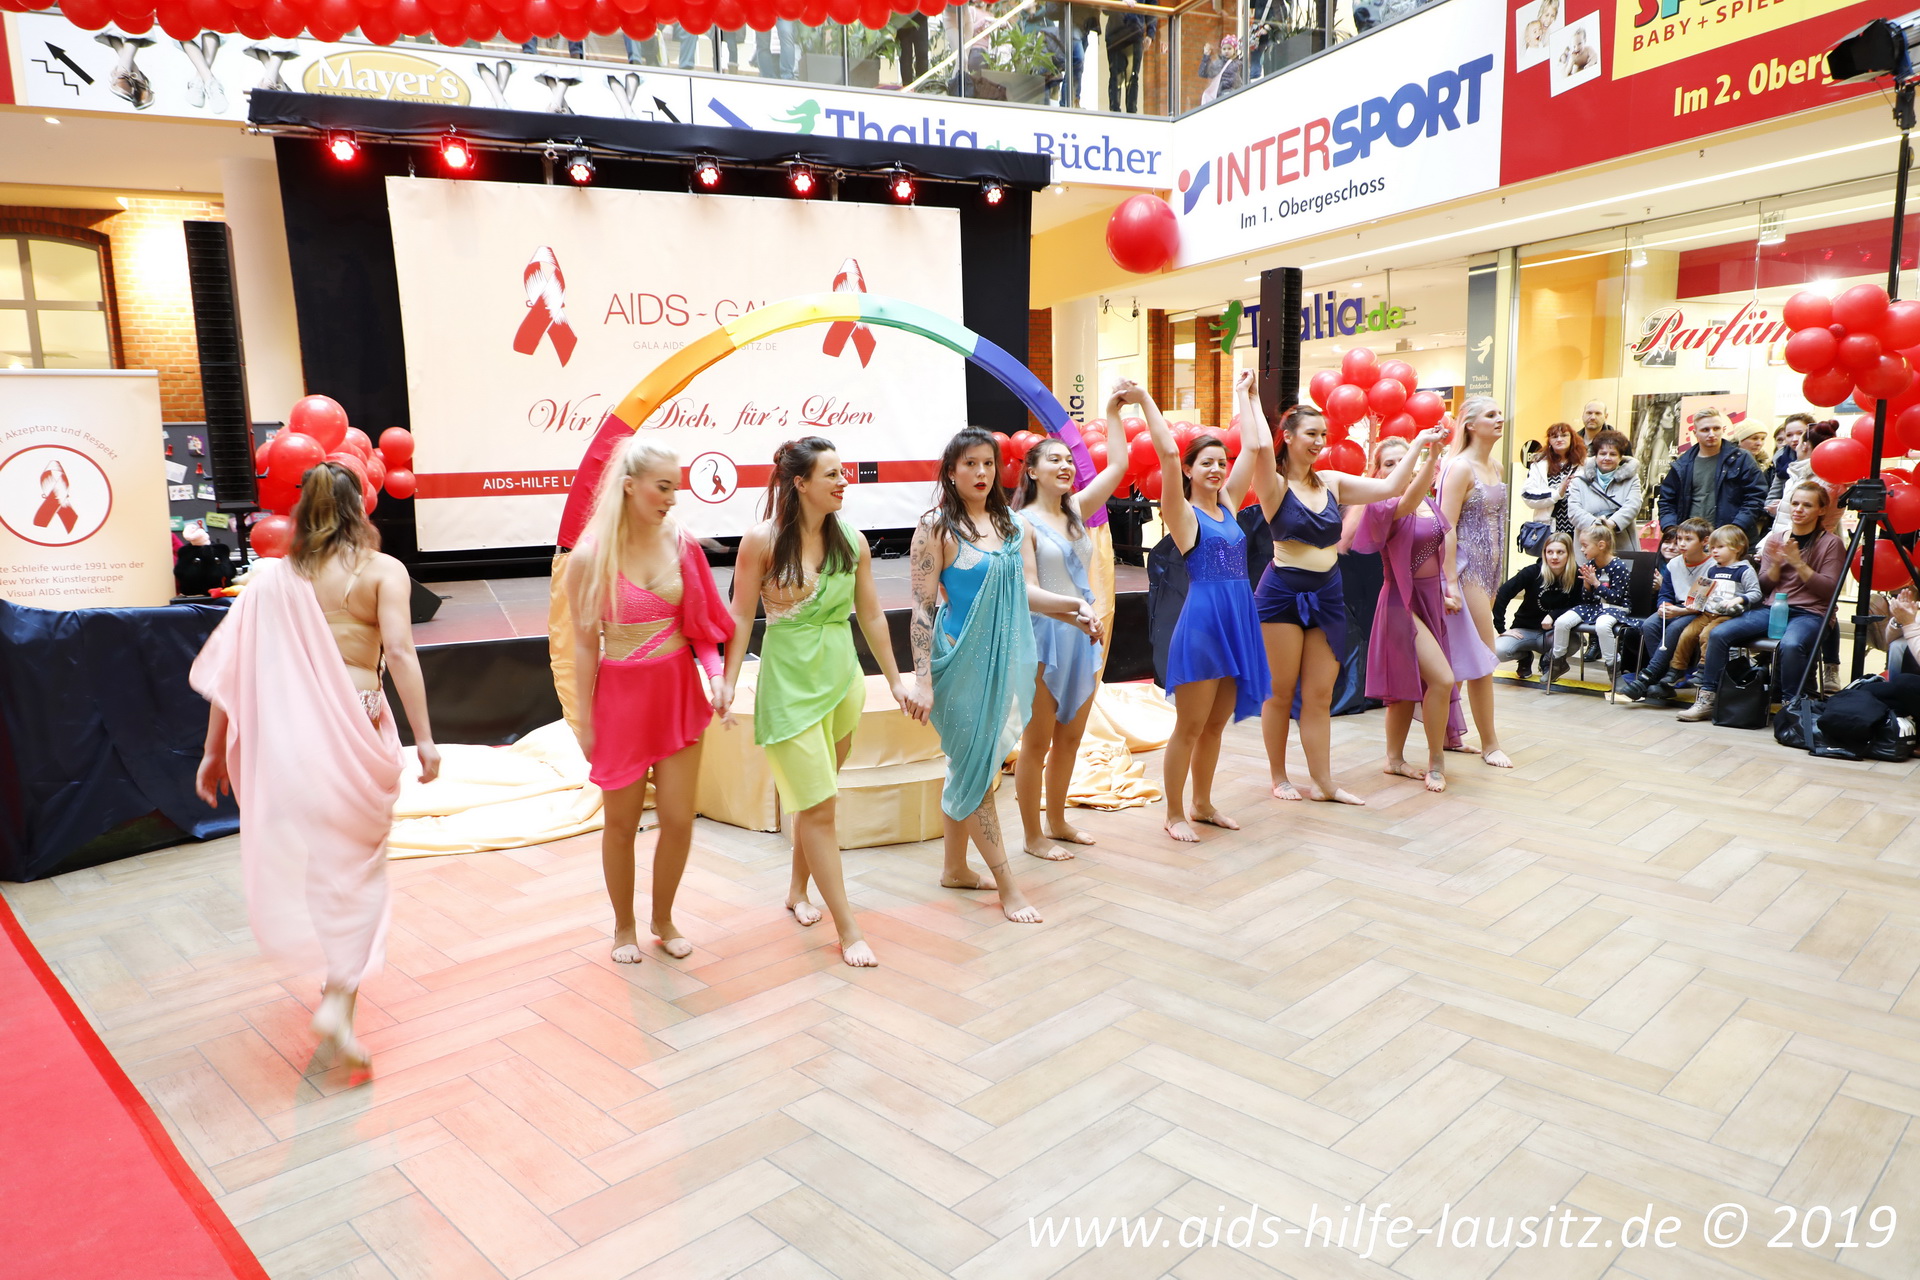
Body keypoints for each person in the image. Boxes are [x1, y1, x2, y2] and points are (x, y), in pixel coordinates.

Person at [191, 462, 442, 1071]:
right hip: (358, 729)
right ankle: (338, 1001)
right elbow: (400, 653)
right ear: (361, 507)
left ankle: (335, 984)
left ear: (302, 512)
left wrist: (212, 752)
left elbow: (232, 671)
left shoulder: (273, 580)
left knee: (325, 868)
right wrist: (426, 739)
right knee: (359, 871)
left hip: (294, 741)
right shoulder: (383, 571)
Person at [718, 438, 925, 968]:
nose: (843, 482)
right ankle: (849, 929)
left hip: (842, 682)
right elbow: (740, 615)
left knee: (816, 804)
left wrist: (895, 681)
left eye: (843, 472)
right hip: (789, 689)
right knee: (820, 808)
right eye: (831, 474)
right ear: (800, 483)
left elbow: (872, 615)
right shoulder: (761, 541)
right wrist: (727, 680)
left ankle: (797, 891)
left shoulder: (852, 541)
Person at [909, 429, 1096, 922]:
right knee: (975, 771)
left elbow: (1025, 592)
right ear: (951, 471)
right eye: (970, 463)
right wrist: (922, 680)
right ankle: (1009, 886)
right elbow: (922, 609)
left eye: (988, 463)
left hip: (1003, 659)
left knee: (968, 766)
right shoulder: (935, 527)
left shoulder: (1012, 524)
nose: (981, 472)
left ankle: (955, 868)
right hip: (957, 662)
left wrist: (1073, 608)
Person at [566, 439, 732, 966]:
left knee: (679, 820)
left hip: (677, 695)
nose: (672, 499)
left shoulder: (682, 544)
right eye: (663, 487)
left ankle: (663, 918)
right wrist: (584, 720)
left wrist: (716, 676)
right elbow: (583, 644)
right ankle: (624, 926)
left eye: (675, 488)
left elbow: (702, 626)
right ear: (629, 486)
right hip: (621, 704)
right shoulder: (589, 557)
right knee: (620, 825)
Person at [1253, 389, 1452, 807]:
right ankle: (1279, 776)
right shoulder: (1273, 483)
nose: (1319, 441)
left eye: (1323, 434)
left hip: (1327, 594)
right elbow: (1257, 447)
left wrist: (1420, 442)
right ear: (1288, 436)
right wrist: (1249, 395)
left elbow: (1392, 486)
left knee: (1320, 695)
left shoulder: (1332, 481)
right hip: (1281, 594)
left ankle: (1324, 783)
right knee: (1281, 692)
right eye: (1311, 433)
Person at [1148, 382, 1272, 840]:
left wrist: (1247, 395)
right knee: (1190, 725)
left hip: (1238, 618)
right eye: (1207, 463)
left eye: (1222, 462)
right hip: (1204, 622)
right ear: (1188, 469)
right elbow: (1166, 452)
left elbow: (1254, 447)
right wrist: (1144, 399)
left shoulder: (1229, 505)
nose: (1218, 469)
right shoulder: (1181, 513)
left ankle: (1202, 804)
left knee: (1216, 725)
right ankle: (1174, 813)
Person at [1013, 398, 1133, 861]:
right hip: (1043, 638)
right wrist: (1077, 608)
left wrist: (1114, 412)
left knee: (1071, 738)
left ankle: (1058, 821)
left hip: (1083, 638)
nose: (1066, 466)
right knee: (1037, 743)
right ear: (1032, 471)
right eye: (1054, 460)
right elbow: (1028, 588)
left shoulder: (1077, 511)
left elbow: (1118, 466)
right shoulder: (1020, 523)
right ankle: (1032, 835)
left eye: (1068, 460)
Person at [1352, 429, 1477, 792]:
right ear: (1378, 473)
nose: (1396, 468)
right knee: (1442, 679)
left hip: (1429, 600)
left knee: (1407, 686)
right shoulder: (1382, 505)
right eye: (1389, 464)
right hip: (1400, 603)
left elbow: (1444, 538)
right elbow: (1407, 501)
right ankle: (1436, 761)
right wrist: (1428, 452)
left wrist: (1446, 589)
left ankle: (1394, 760)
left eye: (1401, 460)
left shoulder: (1428, 502)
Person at [1679, 482, 1844, 723]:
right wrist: (1776, 565)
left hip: (1810, 612)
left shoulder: (1831, 543)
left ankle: (1791, 708)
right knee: (1718, 634)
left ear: (1821, 510)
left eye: (1807, 505)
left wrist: (1798, 563)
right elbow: (1764, 588)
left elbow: (1829, 590)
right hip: (1772, 608)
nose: (1798, 509)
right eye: (1795, 503)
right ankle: (1708, 698)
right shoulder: (1776, 539)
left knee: (1791, 644)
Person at [1438, 397, 1512, 768]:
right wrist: (1450, 580)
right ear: (1470, 424)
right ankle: (1490, 743)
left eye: (1500, 414)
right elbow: (1445, 525)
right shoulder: (1459, 468)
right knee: (1484, 656)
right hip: (1467, 571)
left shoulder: (1495, 465)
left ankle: (1448, 734)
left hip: (1491, 570)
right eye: (1490, 415)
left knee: (1464, 656)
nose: (1500, 419)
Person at [1617, 516, 1713, 702]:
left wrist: (1679, 611)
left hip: (1700, 611)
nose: (1681, 544)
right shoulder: (1674, 564)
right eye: (1680, 539)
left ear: (1705, 541)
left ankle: (1649, 676)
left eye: (1688, 539)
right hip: (1678, 607)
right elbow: (1666, 593)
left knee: (1675, 628)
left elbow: (1703, 602)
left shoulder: (1711, 565)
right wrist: (1664, 606)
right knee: (1650, 624)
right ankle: (1663, 679)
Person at [1655, 406, 1768, 548]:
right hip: (1692, 543)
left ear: (1723, 430)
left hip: (1732, 541)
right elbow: (1667, 501)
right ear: (1695, 433)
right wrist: (1671, 528)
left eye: (1716, 428)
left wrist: (1736, 527)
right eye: (1705, 430)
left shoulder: (1741, 459)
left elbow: (1756, 497)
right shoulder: (1682, 464)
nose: (1711, 434)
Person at [1493, 531, 1580, 681]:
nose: (1554, 557)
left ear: (1569, 554)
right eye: (1550, 552)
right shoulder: (1532, 572)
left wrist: (1553, 615)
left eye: (1560, 552)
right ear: (1544, 553)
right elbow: (1502, 593)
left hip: (1554, 633)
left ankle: (1548, 660)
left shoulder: (1576, 576)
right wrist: (1501, 628)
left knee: (1574, 643)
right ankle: (1525, 657)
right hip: (1525, 631)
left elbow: (1579, 606)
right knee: (1497, 651)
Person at [1547, 524, 1633, 676]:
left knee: (1602, 626)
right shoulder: (1590, 565)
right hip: (1594, 607)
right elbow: (1587, 600)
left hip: (1616, 608)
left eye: (1585, 545)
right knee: (1561, 622)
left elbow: (1616, 598)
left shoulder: (1618, 566)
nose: (1581, 549)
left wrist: (1596, 584)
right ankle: (1558, 662)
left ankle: (1613, 667)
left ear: (1601, 545)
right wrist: (1587, 587)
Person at [1568, 429, 1642, 556]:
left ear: (1620, 457)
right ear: (1595, 455)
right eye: (1602, 453)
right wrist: (1597, 525)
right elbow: (1574, 511)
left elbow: (1633, 506)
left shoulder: (1632, 479)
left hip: (1622, 546)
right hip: (1586, 548)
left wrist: (1611, 524)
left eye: (1613, 454)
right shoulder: (1579, 479)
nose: (1607, 458)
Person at [1519, 422, 1584, 541]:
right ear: (1549, 441)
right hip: (1548, 529)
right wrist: (1557, 493)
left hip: (1578, 528)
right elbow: (1527, 495)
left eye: (1564, 435)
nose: (1559, 439)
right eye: (1554, 436)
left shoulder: (1584, 464)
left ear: (1572, 438)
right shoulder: (1539, 465)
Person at [1105, 10, 1155, 113]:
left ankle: (1131, 112)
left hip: (1134, 33)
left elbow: (1152, 6)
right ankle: (1115, 112)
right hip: (1115, 33)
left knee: (1132, 76)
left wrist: (1150, 34)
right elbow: (1105, 10)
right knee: (1116, 75)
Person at [1197, 34, 1241, 104]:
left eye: (1229, 48)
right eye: (1224, 49)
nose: (1226, 51)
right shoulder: (1218, 63)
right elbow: (1203, 73)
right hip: (1220, 96)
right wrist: (1206, 56)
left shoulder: (1239, 64)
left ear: (1235, 49)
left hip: (1234, 95)